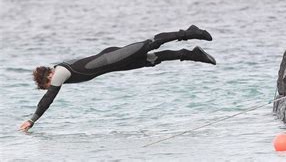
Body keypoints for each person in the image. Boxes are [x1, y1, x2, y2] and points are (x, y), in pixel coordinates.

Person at [19, 25, 216, 132]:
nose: (51, 87)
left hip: (113, 58)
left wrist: (32, 119)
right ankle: (191, 54)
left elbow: (49, 98)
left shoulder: (60, 72)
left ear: (49, 77)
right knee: (153, 60)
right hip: (115, 63)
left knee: (151, 44)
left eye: (47, 85)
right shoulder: (60, 71)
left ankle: (190, 32)